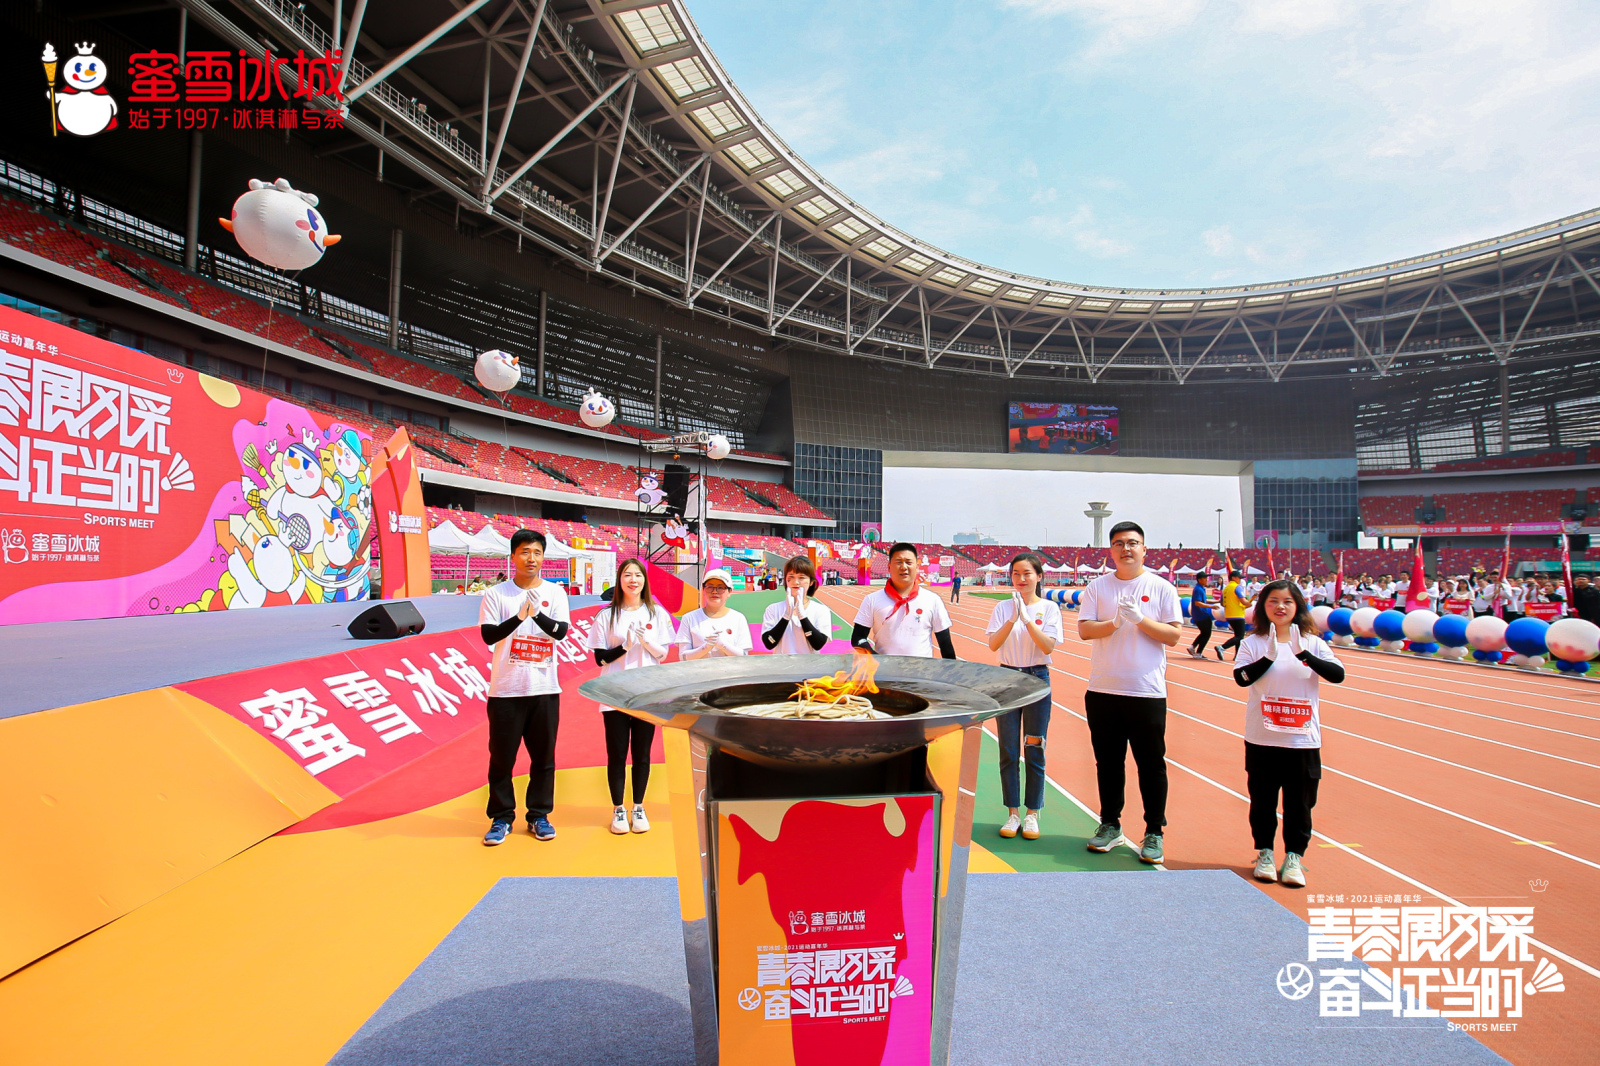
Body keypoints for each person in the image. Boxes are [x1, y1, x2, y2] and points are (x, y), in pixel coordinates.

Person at [1075, 521, 1184, 864]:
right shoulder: (1098, 587)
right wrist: (1113, 624)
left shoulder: (1161, 587)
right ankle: (1110, 824)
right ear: (1111, 550)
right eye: (1119, 543)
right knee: (1108, 763)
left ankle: (1154, 831)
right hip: (1103, 689)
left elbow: (1173, 636)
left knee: (1151, 764)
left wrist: (1138, 619)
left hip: (1146, 691)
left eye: (1133, 543)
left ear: (1144, 549)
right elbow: (1084, 630)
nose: (1126, 549)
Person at [1232, 579, 1345, 888]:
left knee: (1300, 803)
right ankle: (1265, 854)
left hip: (1302, 740)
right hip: (1263, 739)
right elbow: (1242, 678)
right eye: (1273, 601)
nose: (1280, 607)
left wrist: (1303, 654)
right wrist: (1268, 657)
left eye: (1287, 602)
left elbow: (1338, 675)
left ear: (1298, 607)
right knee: (1263, 800)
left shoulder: (1313, 643)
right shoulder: (1252, 643)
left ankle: (1294, 856)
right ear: (1262, 606)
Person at [477, 529, 571, 845]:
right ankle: (501, 818)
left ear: (543, 557)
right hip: (506, 690)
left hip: (544, 688)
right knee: (501, 759)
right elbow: (489, 635)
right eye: (525, 552)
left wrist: (537, 614)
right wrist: (519, 617)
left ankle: (538, 815)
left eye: (537, 552)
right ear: (513, 556)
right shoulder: (496, 594)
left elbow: (560, 632)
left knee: (544, 759)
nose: (531, 558)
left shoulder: (555, 593)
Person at [587, 559, 675, 835]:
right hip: (614, 694)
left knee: (642, 754)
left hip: (646, 694)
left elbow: (663, 655)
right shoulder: (607, 615)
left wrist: (645, 641)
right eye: (627, 575)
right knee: (617, 754)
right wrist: (625, 646)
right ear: (619, 580)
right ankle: (618, 809)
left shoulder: (656, 613)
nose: (633, 580)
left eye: (638, 575)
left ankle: (638, 806)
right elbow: (600, 659)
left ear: (644, 581)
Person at [986, 552, 1061, 840]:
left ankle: (1032, 813)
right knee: (1008, 749)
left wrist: (1028, 620)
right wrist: (1012, 619)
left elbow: (1048, 647)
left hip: (1037, 679)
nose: (1021, 578)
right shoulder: (1002, 608)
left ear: (1039, 576)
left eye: (1027, 573)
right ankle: (1013, 813)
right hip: (1007, 679)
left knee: (1034, 746)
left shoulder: (1049, 608)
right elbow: (994, 645)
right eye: (1016, 573)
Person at [852, 542, 957, 658]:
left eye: (908, 562)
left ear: (917, 567)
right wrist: (877, 659)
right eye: (898, 562)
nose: (903, 567)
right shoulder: (872, 600)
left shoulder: (933, 600)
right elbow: (858, 638)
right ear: (889, 566)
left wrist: (952, 669)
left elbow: (946, 645)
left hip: (921, 669)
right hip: (885, 669)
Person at [761, 555, 832, 653]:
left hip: (809, 662)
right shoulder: (773, 609)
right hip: (782, 662)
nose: (796, 582)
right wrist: (786, 616)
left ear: (811, 582)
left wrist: (802, 616)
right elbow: (769, 643)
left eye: (802, 578)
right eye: (791, 577)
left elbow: (818, 644)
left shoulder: (821, 610)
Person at [677, 568, 752, 660]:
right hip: (699, 669)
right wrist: (706, 647)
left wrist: (722, 644)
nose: (714, 592)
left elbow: (744, 656)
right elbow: (683, 657)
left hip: (730, 669)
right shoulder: (689, 618)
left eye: (720, 588)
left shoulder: (738, 618)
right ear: (703, 590)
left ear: (729, 592)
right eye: (710, 587)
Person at [1215, 570, 1253, 662]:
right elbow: (1243, 601)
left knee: (1238, 636)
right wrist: (1249, 604)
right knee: (1240, 636)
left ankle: (1237, 656)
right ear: (1233, 578)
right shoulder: (1237, 587)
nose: (1240, 580)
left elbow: (1222, 603)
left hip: (1229, 614)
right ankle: (1222, 647)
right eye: (1239, 578)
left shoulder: (1226, 588)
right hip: (1237, 614)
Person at [1188, 572, 1216, 660]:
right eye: (1205, 578)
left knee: (1204, 633)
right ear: (1199, 579)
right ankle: (1198, 652)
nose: (1207, 580)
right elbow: (1197, 602)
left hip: (1199, 614)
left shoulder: (1201, 588)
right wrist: (1211, 607)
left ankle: (1193, 646)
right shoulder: (1198, 589)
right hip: (1201, 615)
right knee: (1207, 634)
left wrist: (1217, 601)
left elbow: (1204, 600)